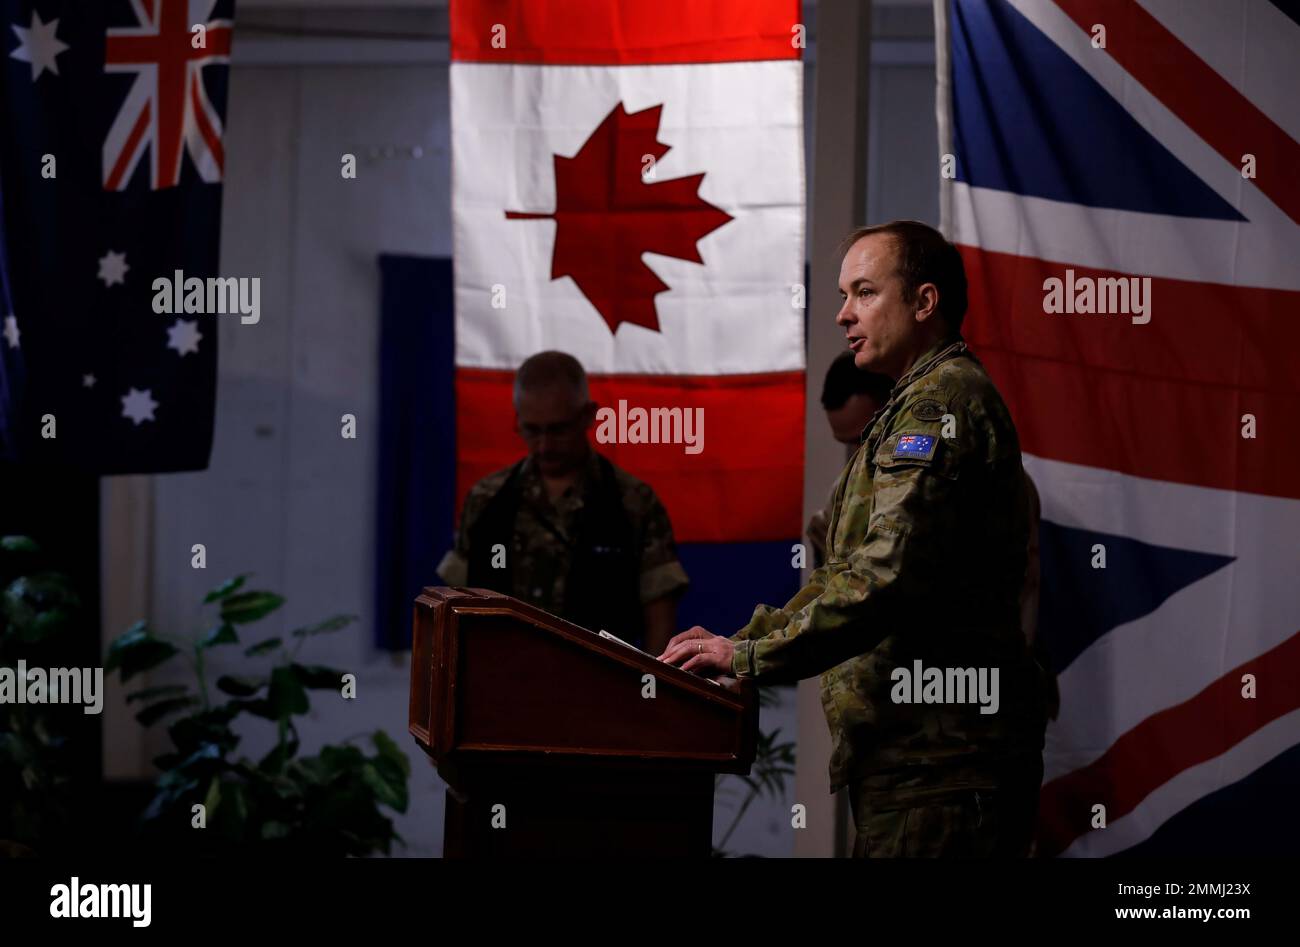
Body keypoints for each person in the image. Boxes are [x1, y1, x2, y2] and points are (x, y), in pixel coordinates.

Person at [660, 221, 1048, 857]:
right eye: (844, 295)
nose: (844, 314)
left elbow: (883, 577)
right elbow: (843, 576)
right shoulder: (910, 403)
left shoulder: (940, 406)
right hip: (918, 762)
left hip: (943, 766)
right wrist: (741, 643)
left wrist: (749, 658)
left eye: (864, 293)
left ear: (924, 302)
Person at [437, 351, 689, 654]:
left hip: (598, 678)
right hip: (500, 675)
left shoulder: (634, 503)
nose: (544, 446)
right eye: (532, 430)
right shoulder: (486, 500)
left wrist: (651, 682)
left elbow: (659, 617)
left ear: (588, 416)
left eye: (558, 430)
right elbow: (455, 605)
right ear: (518, 420)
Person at [807, 353, 893, 567]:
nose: (859, 452)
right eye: (849, 443)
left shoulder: (928, 477)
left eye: (866, 438)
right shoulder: (840, 495)